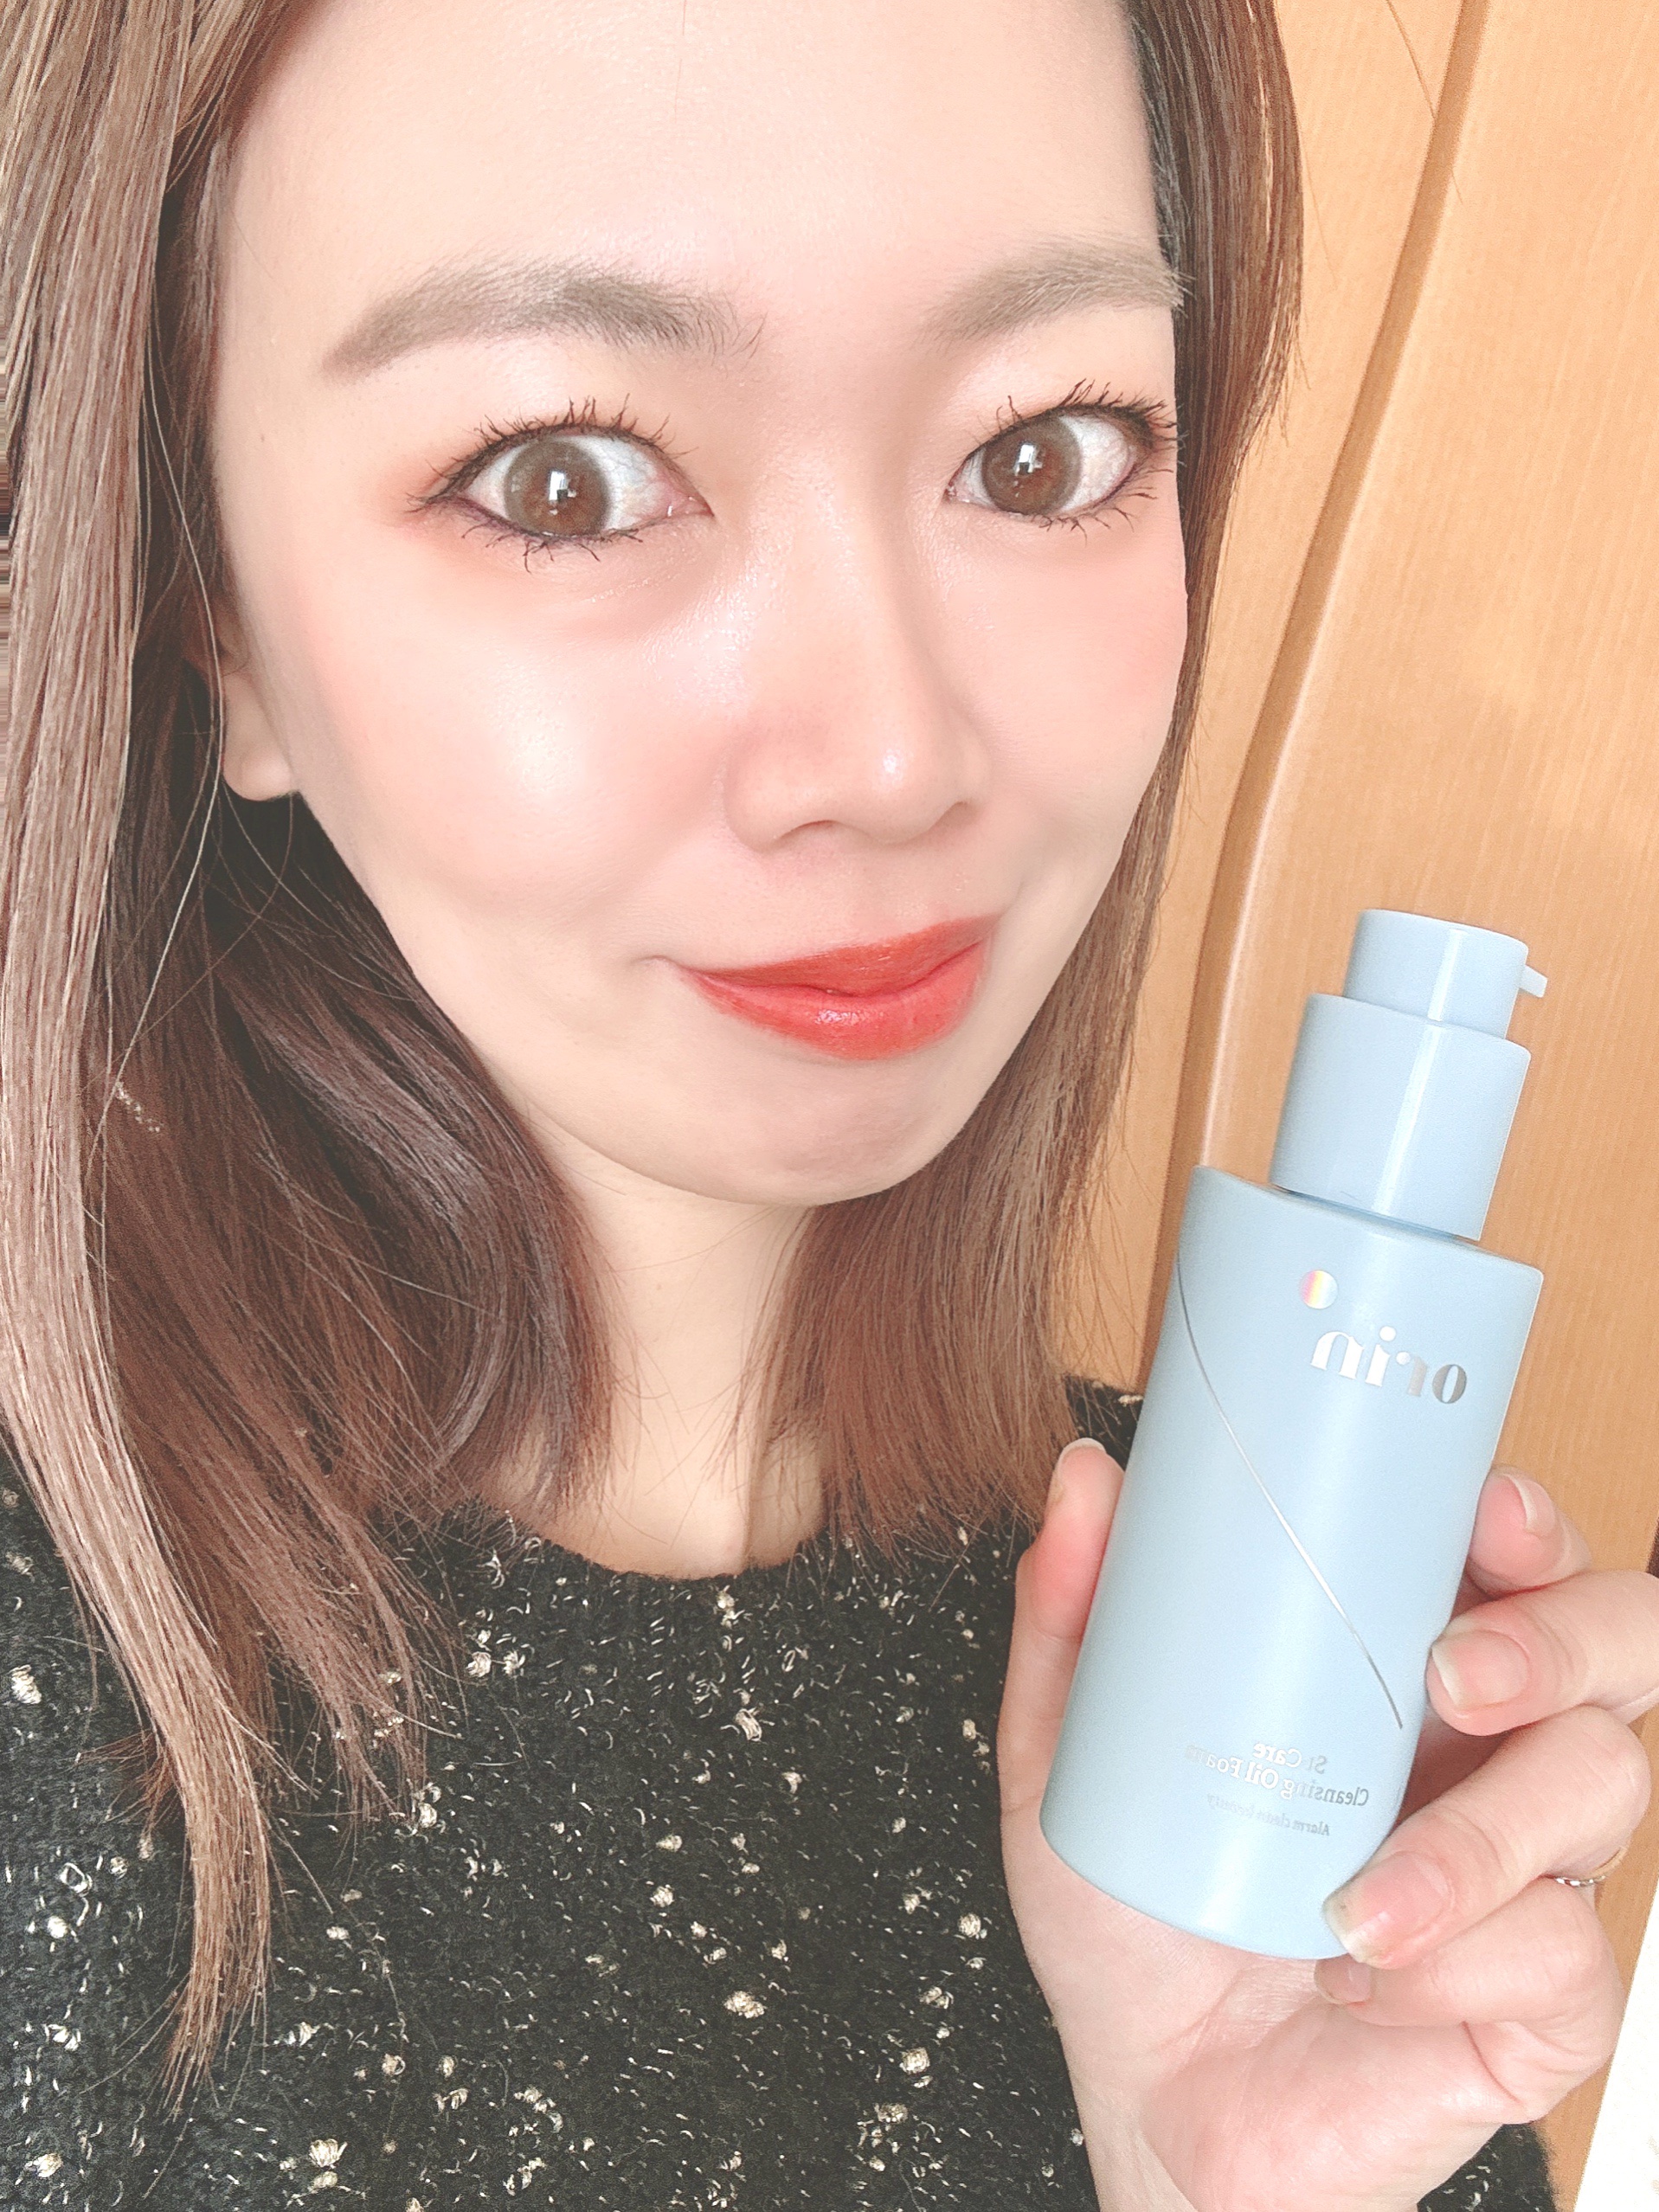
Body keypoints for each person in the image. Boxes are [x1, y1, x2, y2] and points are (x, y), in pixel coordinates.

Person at [2, 0, 1654, 2205]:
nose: (888, 755)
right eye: (562, 481)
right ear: (207, 610)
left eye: (1042, 449)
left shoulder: (1234, 1691)